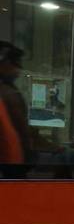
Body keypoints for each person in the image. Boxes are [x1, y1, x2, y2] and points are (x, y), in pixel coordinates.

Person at [0, 41, 29, 174]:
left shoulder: (7, 91)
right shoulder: (8, 94)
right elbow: (23, 131)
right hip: (10, 169)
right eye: (15, 63)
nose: (18, 69)